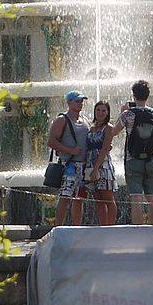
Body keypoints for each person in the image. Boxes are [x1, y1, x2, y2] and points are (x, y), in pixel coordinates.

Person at [119, 79, 153, 226]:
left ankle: (138, 231)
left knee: (136, 198)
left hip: (133, 160)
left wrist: (122, 112)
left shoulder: (128, 114)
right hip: (151, 159)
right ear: (148, 95)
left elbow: (113, 132)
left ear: (134, 95)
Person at [46, 92, 89, 228]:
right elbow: (51, 142)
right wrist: (70, 151)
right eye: (77, 101)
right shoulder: (62, 120)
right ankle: (59, 228)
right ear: (69, 102)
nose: (80, 103)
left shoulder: (85, 119)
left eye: (81, 101)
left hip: (83, 166)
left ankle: (76, 228)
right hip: (68, 165)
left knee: (79, 198)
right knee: (65, 197)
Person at [84, 99, 120, 226]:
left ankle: (110, 228)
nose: (100, 113)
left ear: (108, 112)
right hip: (90, 164)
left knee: (108, 199)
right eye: (98, 110)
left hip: (103, 166)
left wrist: (96, 169)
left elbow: (105, 149)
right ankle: (102, 227)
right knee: (98, 200)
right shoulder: (91, 128)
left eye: (103, 110)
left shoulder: (109, 128)